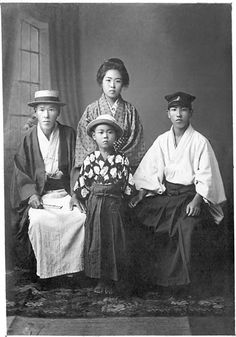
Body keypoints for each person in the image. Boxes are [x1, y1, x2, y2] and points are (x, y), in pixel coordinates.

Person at [129, 91, 226, 295]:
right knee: (139, 215)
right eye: (174, 110)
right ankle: (152, 278)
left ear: (191, 113)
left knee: (187, 225)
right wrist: (141, 194)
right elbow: (150, 169)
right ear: (168, 114)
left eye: (183, 110)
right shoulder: (162, 140)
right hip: (168, 196)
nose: (179, 114)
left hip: (190, 198)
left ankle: (182, 284)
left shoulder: (200, 141)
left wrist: (198, 200)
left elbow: (206, 174)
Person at [10, 90, 86, 285]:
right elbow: (21, 171)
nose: (46, 115)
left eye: (51, 109)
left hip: (65, 192)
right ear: (35, 112)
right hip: (41, 196)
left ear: (58, 113)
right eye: (41, 109)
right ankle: (46, 272)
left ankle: (73, 272)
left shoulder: (68, 134)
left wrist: (76, 193)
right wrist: (31, 195)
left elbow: (78, 166)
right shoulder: (28, 138)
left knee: (79, 218)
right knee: (38, 222)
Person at [73, 114, 135, 295]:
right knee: (97, 240)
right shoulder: (90, 159)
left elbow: (128, 185)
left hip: (114, 205)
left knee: (113, 240)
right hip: (96, 203)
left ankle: (114, 279)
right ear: (94, 136)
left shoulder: (122, 159)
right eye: (101, 132)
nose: (105, 136)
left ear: (116, 136)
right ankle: (100, 279)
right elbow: (83, 184)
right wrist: (77, 198)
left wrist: (128, 199)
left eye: (109, 132)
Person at [72, 58, 145, 183]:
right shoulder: (91, 110)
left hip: (123, 170)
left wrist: (117, 161)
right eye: (108, 80)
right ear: (101, 82)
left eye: (117, 81)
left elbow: (136, 145)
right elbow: (84, 144)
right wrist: (103, 158)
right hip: (95, 171)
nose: (112, 85)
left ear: (123, 84)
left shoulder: (130, 111)